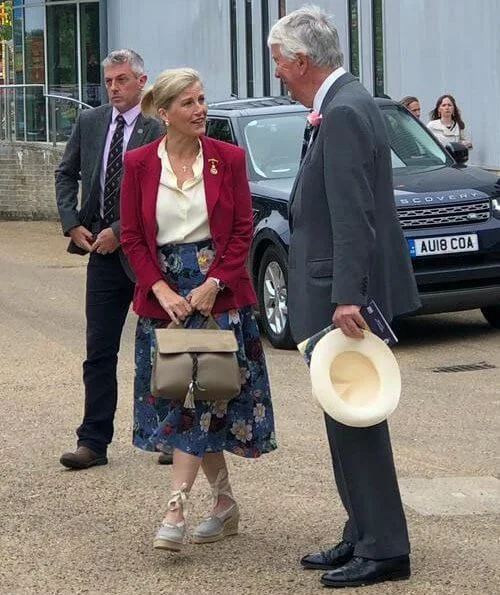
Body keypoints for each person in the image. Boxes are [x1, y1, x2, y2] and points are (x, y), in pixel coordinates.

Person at [268, 6, 421, 589]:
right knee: (343, 411)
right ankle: (362, 531)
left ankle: (384, 547)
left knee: (358, 417)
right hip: (332, 290)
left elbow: (355, 216)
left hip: (343, 298)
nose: (278, 72)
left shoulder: (346, 110)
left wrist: (348, 296)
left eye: (279, 61)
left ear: (302, 60)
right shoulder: (341, 103)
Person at [120, 68, 276, 552]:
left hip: (220, 297)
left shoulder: (227, 159)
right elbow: (131, 237)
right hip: (164, 300)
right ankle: (225, 503)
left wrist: (213, 283)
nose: (200, 109)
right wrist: (159, 289)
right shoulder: (139, 163)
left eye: (202, 99)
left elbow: (242, 230)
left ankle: (175, 507)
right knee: (185, 398)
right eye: (188, 103)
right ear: (163, 113)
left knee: (205, 399)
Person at [55, 49, 165, 470]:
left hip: (145, 253)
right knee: (99, 350)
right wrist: (71, 223)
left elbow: (160, 190)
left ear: (142, 81)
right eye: (109, 81)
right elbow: (66, 173)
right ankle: (93, 442)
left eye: (122, 80)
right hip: (99, 255)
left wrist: (120, 232)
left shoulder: (157, 129)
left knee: (159, 348)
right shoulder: (90, 122)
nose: (114, 88)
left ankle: (167, 436)